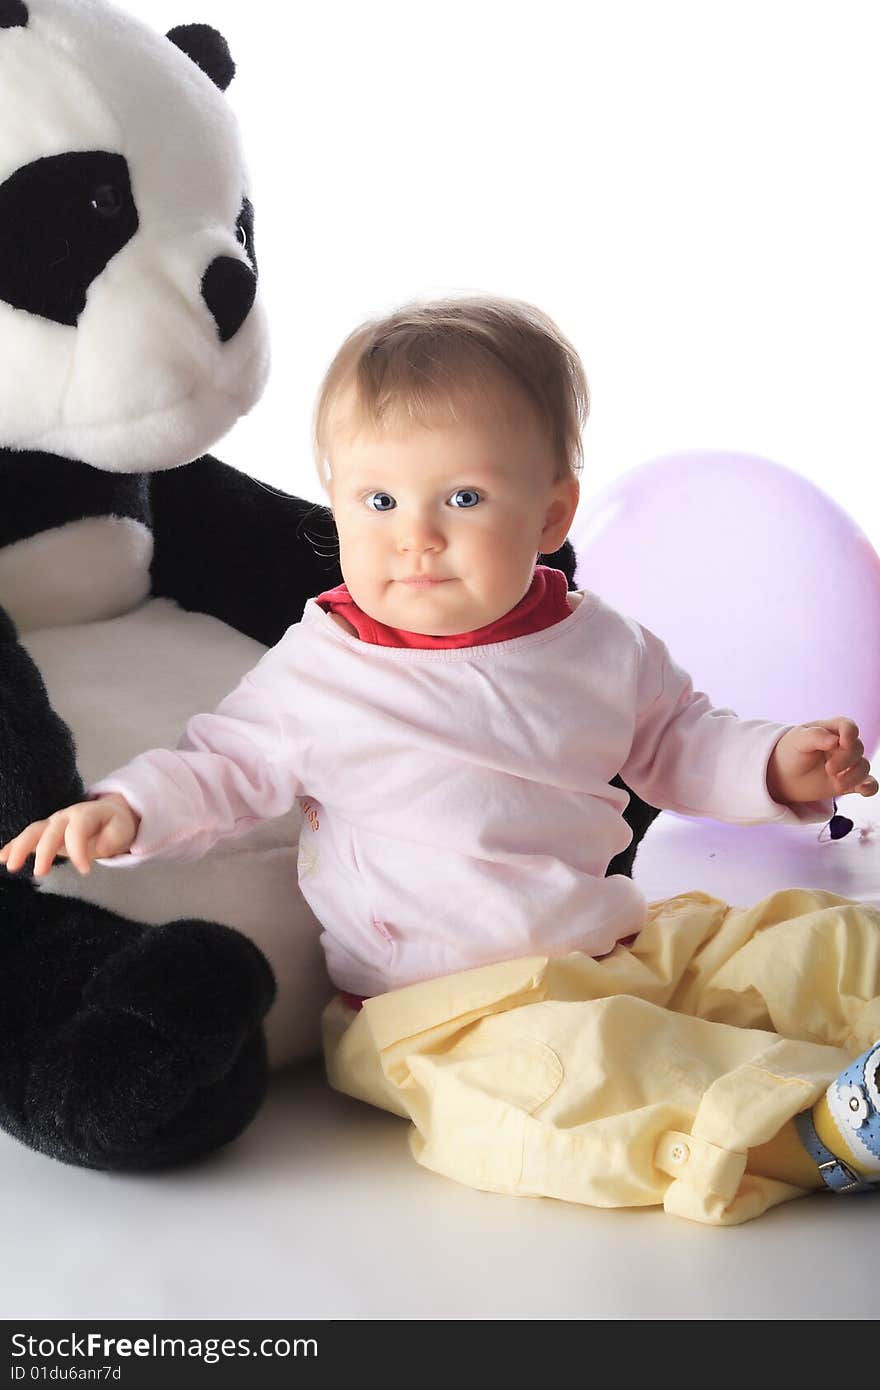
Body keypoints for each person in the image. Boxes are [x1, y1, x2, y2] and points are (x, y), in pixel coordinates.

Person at [3, 295, 880, 1225]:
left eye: (462, 498)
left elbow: (679, 742)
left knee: (803, 939)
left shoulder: (600, 641)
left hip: (618, 940)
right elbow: (223, 763)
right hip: (441, 1014)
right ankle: (810, 1130)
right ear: (336, 499)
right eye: (378, 501)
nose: (414, 536)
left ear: (552, 513)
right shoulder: (324, 671)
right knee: (575, 1084)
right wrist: (128, 808)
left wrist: (779, 764)